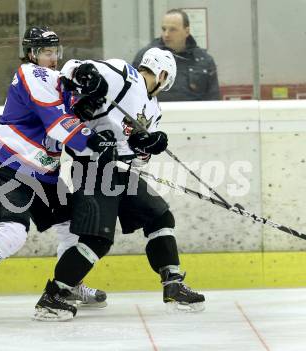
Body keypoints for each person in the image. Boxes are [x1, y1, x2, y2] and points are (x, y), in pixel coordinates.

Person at [0, 26, 115, 323]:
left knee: (74, 222)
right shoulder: (31, 75)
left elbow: (78, 104)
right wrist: (89, 139)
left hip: (45, 174)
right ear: (31, 54)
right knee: (12, 235)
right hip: (9, 165)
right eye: (46, 52)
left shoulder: (61, 83)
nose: (53, 58)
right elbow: (57, 122)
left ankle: (69, 285)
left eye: (56, 52)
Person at [33, 48, 205, 321]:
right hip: (93, 169)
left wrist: (147, 146)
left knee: (159, 216)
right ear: (163, 75)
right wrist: (86, 76)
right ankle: (53, 296)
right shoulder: (124, 75)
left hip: (121, 172)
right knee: (97, 239)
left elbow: (138, 160)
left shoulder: (154, 109)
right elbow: (71, 69)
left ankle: (173, 283)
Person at [133, 9, 220, 101]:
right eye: (164, 29)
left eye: (172, 30)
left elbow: (213, 100)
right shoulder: (147, 57)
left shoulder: (204, 60)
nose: (166, 34)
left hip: (192, 114)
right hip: (155, 113)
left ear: (187, 31)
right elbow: (132, 94)